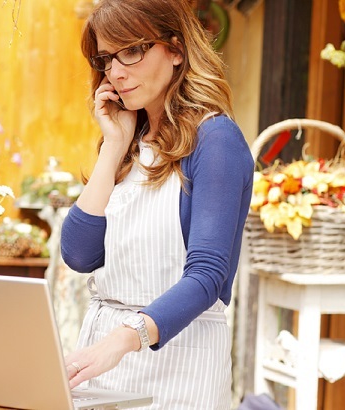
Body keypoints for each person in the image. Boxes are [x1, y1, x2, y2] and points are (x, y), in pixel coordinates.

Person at [60, 0, 254, 408]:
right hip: (104, 360)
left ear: (177, 50)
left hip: (179, 365)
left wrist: (122, 340)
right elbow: (78, 255)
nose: (115, 71)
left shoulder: (216, 141)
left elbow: (207, 276)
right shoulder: (127, 141)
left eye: (131, 50)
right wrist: (113, 146)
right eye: (106, 58)